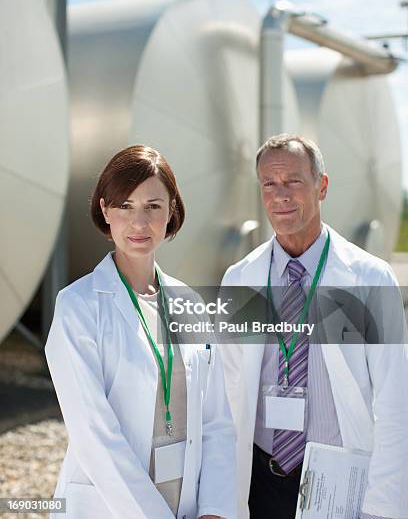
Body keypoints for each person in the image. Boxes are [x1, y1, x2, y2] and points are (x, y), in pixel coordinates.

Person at [220, 134, 408, 519]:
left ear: (321, 186)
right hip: (260, 482)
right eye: (269, 184)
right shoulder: (240, 279)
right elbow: (224, 397)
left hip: (340, 482)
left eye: (293, 181)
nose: (280, 195)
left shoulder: (371, 278)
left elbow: (395, 399)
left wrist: (383, 505)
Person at [45, 145, 236, 519]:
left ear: (171, 212)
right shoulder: (78, 306)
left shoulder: (190, 303)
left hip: (188, 506)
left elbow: (216, 420)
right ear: (104, 210)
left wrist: (214, 509)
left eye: (152, 206)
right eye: (125, 206)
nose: (138, 223)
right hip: (110, 508)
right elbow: (94, 434)